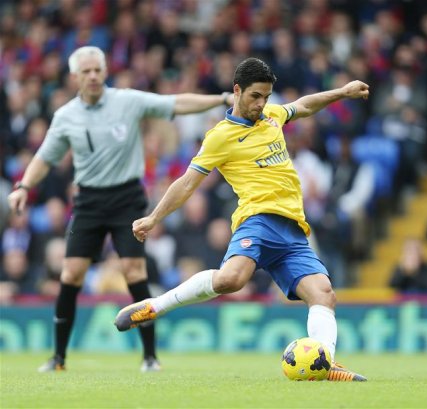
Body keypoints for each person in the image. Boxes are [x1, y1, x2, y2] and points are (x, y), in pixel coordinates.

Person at [114, 57, 370, 382]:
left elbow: (303, 106)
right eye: (255, 97)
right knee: (230, 280)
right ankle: (155, 307)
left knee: (324, 294)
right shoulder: (220, 137)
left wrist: (342, 92)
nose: (262, 104)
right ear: (237, 90)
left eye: (266, 97)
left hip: (293, 230)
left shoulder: (272, 115)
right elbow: (187, 182)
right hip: (258, 220)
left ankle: (323, 362)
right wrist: (153, 218)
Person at [6, 46, 234, 373]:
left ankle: (150, 357)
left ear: (105, 71)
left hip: (127, 198)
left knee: (134, 273)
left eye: (98, 69)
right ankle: (58, 359)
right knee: (71, 274)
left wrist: (223, 98)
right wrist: (24, 186)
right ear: (75, 77)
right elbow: (44, 157)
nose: (94, 75)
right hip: (88, 201)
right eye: (87, 71)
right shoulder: (66, 116)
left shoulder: (127, 100)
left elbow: (177, 103)